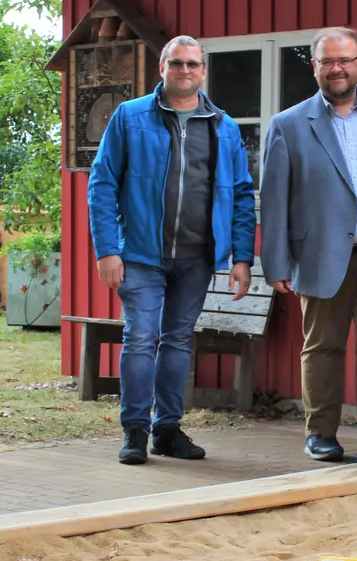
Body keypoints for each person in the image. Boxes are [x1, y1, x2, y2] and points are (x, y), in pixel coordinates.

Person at [87, 35, 257, 465]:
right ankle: (135, 431)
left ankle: (167, 429)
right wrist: (108, 249)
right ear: (162, 68)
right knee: (141, 337)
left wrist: (241, 256)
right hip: (141, 254)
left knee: (179, 340)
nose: (185, 70)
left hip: (196, 256)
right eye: (176, 63)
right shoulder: (129, 117)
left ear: (203, 71)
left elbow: (240, 194)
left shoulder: (224, 125)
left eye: (193, 64)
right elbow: (102, 184)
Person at [260, 27, 357, 463]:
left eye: (344, 60)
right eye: (327, 61)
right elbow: (274, 200)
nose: (337, 69)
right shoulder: (288, 124)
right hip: (321, 256)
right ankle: (320, 433)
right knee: (322, 348)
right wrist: (276, 264)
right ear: (314, 67)